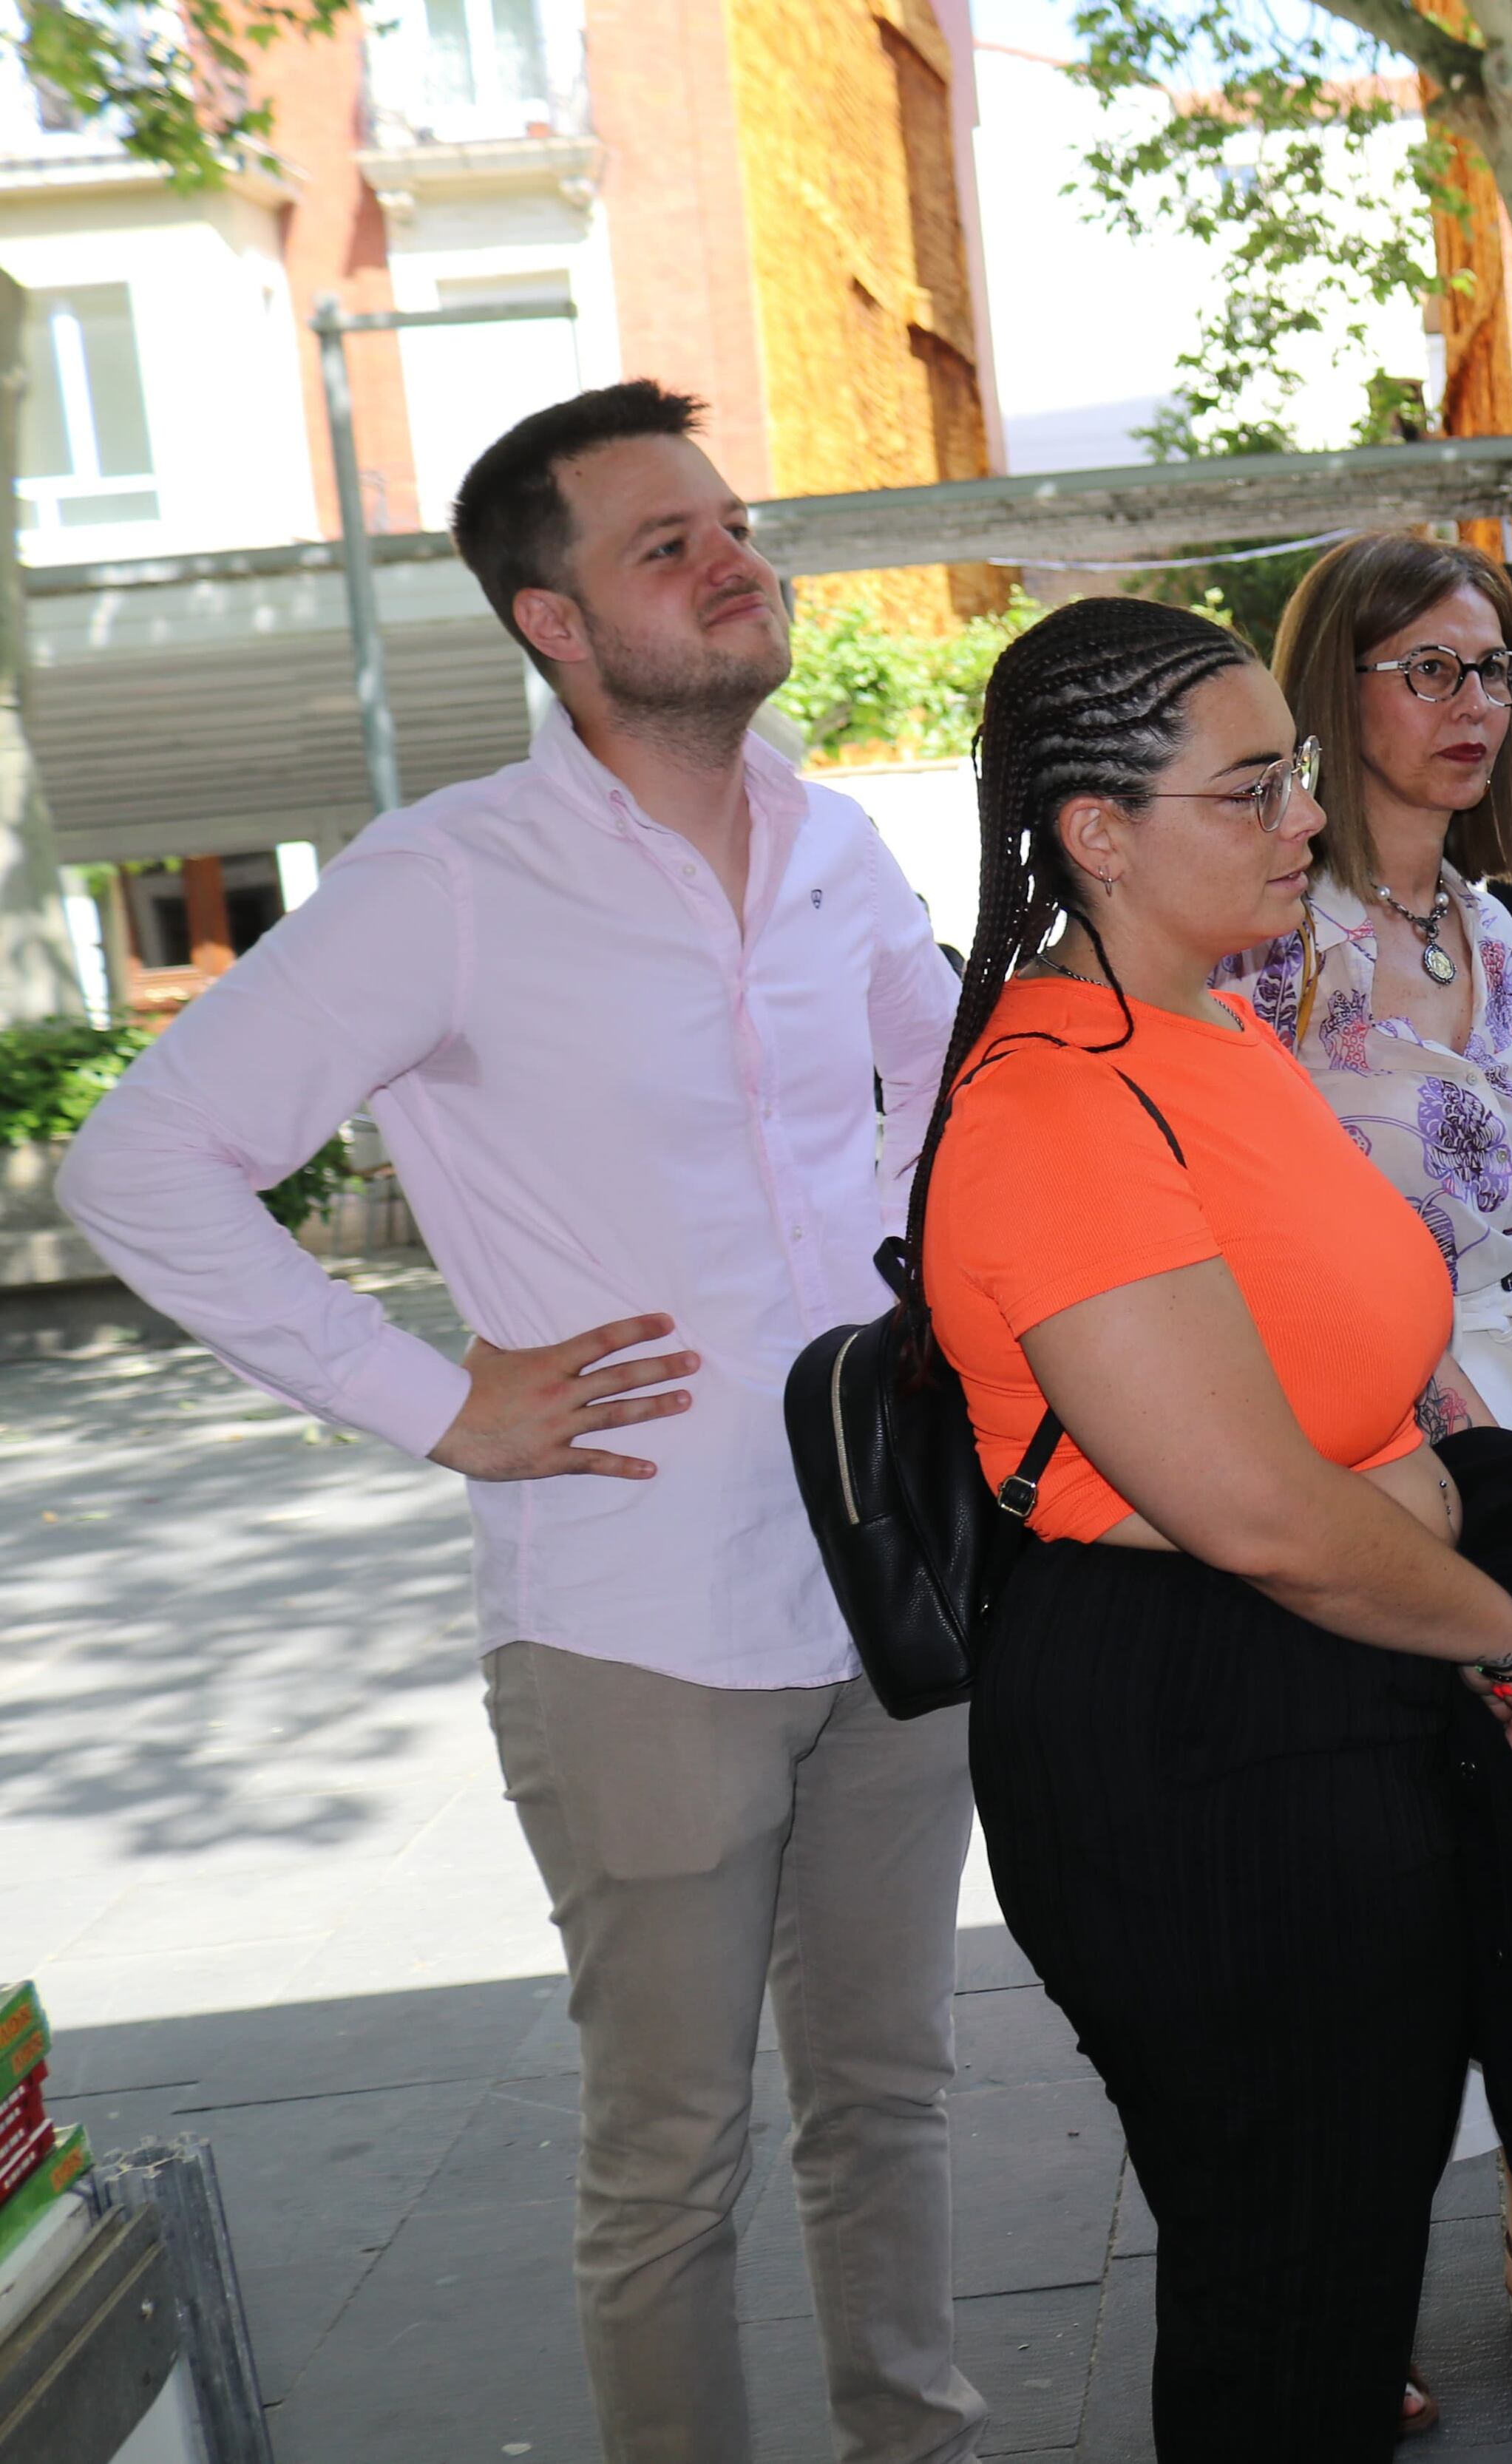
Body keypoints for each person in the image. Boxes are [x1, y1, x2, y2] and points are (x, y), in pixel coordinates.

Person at [58, 381, 989, 2463]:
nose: (735, 560)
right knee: (673, 2156)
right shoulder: (450, 880)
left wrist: (923, 1296)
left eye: (734, 522)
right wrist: (432, 1399)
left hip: (890, 1574)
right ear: (550, 619)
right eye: (670, 544)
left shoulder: (835, 841)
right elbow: (143, 1166)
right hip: (635, 1603)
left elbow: (957, 1091)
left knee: (895, 2094)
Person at [915, 593, 1512, 2460]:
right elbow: (1252, 1508)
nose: (1304, 818)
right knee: (1285, 2274)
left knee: (1335, 2245)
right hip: (1195, 1741)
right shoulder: (1055, 1101)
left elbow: (1327, 1420)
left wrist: (1467, 1568)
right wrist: (1495, 1628)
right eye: (1253, 790)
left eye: (1294, 778)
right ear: (1098, 834)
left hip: (1311, 1687)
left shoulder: (1209, 1031)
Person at [1227, 532, 1512, 2414]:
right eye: (1420, 667)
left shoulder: (1492, 932)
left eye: (1491, 669)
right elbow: (1240, 1239)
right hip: (1342, 1443)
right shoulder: (1264, 943)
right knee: (1377, 1863)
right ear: (1328, 690)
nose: (1468, 705)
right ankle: (1358, 2272)